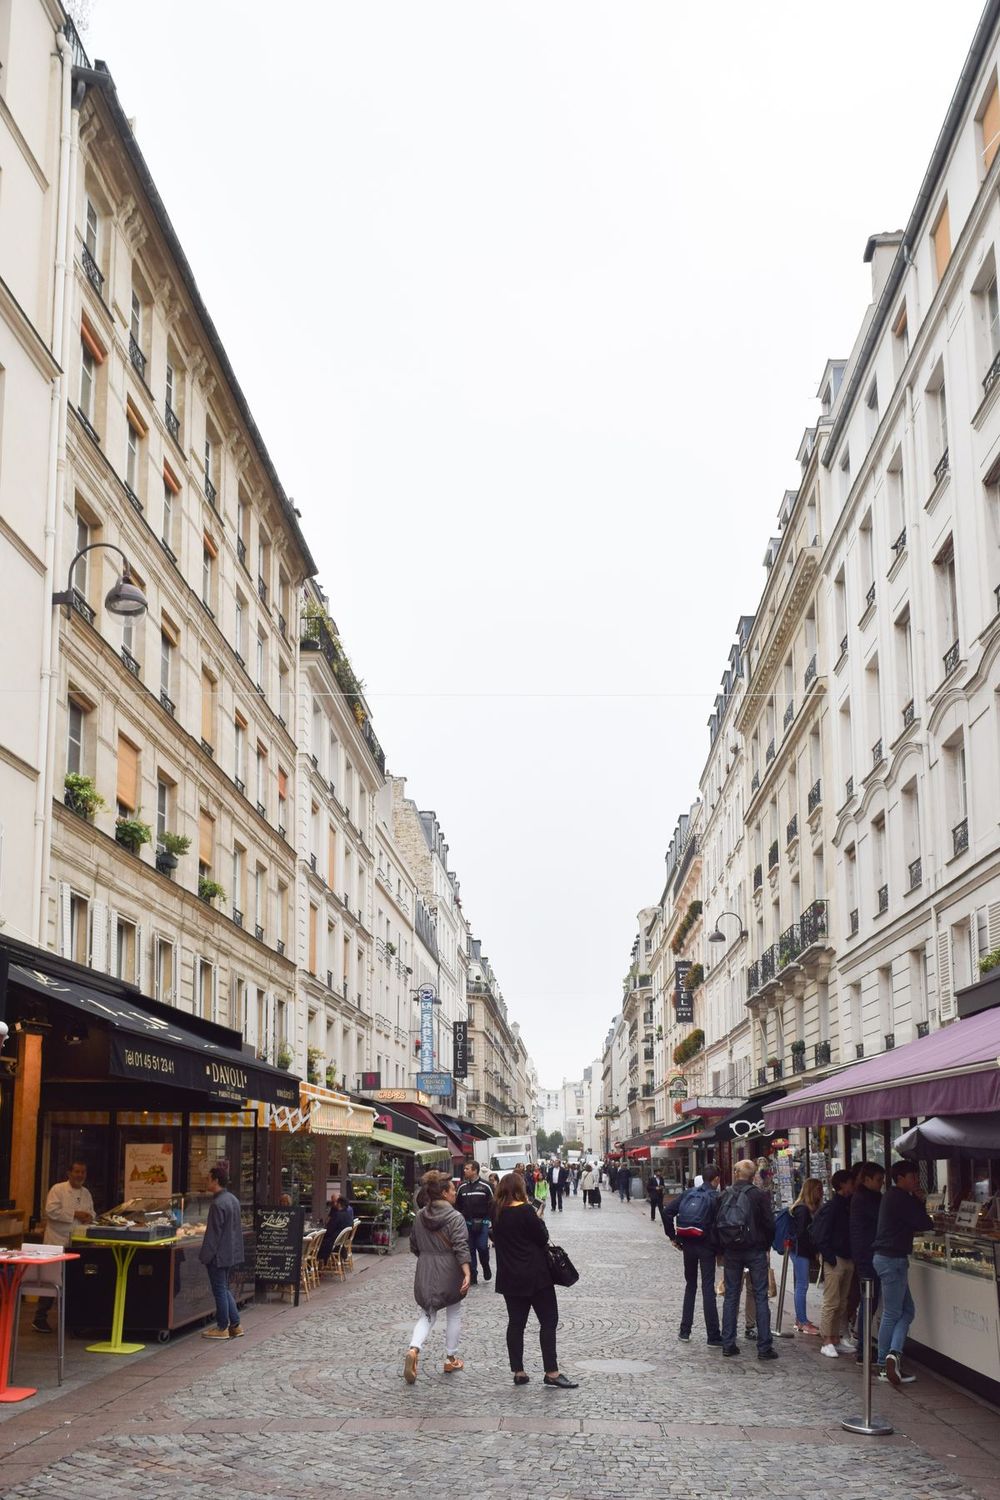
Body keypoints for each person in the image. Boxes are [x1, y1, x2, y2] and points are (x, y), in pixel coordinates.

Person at [491, 1171, 578, 1388]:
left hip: (510, 1277)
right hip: (536, 1276)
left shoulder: (496, 1211)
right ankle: (552, 1371)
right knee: (548, 1322)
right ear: (520, 1189)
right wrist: (539, 1218)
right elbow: (542, 1238)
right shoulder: (526, 1211)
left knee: (516, 1324)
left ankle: (518, 1371)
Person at [872, 1159, 934, 1386]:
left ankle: (891, 1355)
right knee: (893, 1312)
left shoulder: (892, 1196)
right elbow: (924, 1223)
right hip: (892, 1260)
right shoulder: (900, 1198)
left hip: (889, 1258)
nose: (916, 1180)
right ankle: (883, 1362)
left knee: (906, 1311)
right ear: (900, 1179)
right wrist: (920, 1201)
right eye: (912, 1177)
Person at [404, 1170, 470, 1382]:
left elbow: (413, 1244)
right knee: (454, 1311)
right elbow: (461, 1247)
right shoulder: (455, 1217)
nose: (455, 1193)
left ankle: (414, 1349)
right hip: (450, 1267)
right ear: (443, 1193)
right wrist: (467, 1272)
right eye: (452, 1189)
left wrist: (427, 1258)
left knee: (427, 1313)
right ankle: (451, 1357)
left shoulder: (420, 1216)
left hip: (425, 1266)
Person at [717, 1158, 777, 1360]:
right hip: (755, 1249)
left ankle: (728, 1343)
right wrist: (766, 1244)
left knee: (731, 1295)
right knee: (760, 1295)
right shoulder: (759, 1195)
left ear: (736, 1173)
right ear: (753, 1176)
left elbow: (716, 1221)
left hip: (732, 1250)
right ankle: (764, 1347)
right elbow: (770, 1224)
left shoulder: (725, 1193)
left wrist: (722, 1246)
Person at [661, 1165, 723, 1346]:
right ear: (716, 1180)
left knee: (691, 1286)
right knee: (707, 1287)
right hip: (707, 1246)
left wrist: (673, 1237)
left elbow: (667, 1212)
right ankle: (713, 1335)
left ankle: (685, 1331)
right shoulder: (716, 1197)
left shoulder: (688, 1193)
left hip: (688, 1244)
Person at [34, 1159, 95, 1333]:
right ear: (69, 1173)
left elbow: (92, 1212)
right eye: (77, 1172)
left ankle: (70, 1319)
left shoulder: (86, 1193)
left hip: (77, 1242)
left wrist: (89, 1216)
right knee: (52, 1280)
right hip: (57, 1241)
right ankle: (40, 1318)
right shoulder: (57, 1189)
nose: (80, 1175)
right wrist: (76, 1214)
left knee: (73, 1280)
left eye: (83, 1172)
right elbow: (51, 1212)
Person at [198, 1166, 245, 1340]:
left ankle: (222, 1326)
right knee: (224, 1289)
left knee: (220, 1289)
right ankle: (235, 1325)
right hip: (230, 1252)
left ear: (216, 1180)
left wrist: (205, 1256)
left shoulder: (218, 1203)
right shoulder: (232, 1199)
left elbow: (213, 1234)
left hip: (218, 1254)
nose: (206, 1181)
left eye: (208, 1178)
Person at [815, 1170, 856, 1358]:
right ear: (842, 1185)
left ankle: (837, 1339)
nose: (853, 1186)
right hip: (836, 1258)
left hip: (846, 1257)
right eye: (850, 1183)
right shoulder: (832, 1207)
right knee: (832, 1301)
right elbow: (820, 1233)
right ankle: (827, 1340)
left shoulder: (848, 1205)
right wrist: (829, 1256)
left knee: (842, 1301)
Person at [849, 1161, 885, 1365]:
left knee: (868, 1302)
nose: (881, 1184)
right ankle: (862, 1349)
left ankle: (863, 1345)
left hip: (866, 1254)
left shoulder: (866, 1196)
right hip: (867, 1256)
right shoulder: (866, 1198)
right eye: (879, 1180)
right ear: (867, 1179)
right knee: (868, 1301)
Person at [788, 1177, 823, 1335]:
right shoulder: (803, 1210)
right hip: (800, 1251)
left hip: (798, 1250)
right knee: (802, 1285)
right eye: (818, 1190)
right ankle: (802, 1321)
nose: (821, 1193)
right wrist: (813, 1250)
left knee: (800, 1285)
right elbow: (803, 1234)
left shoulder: (801, 1208)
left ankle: (801, 1319)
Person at [456, 1161, 494, 1285]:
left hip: (482, 1223)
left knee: (482, 1247)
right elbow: (457, 1205)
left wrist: (488, 1219)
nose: (464, 1171)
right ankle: (473, 1274)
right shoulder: (462, 1187)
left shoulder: (486, 1186)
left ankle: (486, 1266)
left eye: (467, 1169)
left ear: (475, 1170)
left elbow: (493, 1204)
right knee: (470, 1249)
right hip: (467, 1223)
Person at [318, 1194, 354, 1263]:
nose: (335, 1204)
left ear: (339, 1204)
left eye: (336, 1202)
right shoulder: (348, 1215)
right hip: (341, 1240)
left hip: (333, 1241)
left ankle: (317, 1262)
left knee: (317, 1243)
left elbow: (329, 1230)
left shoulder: (337, 1215)